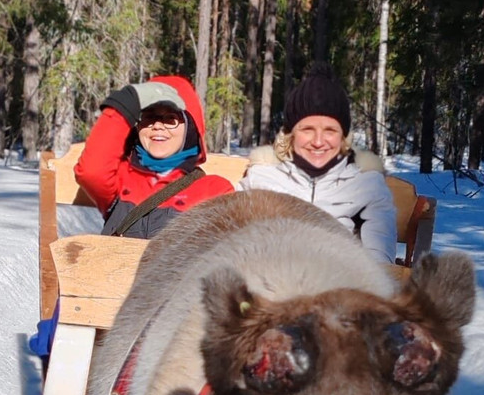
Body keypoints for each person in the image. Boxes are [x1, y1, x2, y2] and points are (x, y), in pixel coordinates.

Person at [237, 63, 397, 263]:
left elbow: (379, 258)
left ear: (343, 137)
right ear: (290, 134)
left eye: (330, 130)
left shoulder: (367, 185)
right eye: (307, 129)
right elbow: (230, 236)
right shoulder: (261, 177)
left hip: (339, 282)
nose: (319, 141)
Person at [75, 75, 234, 238]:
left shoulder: (214, 190)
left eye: (171, 118)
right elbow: (91, 172)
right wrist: (124, 104)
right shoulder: (120, 179)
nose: (157, 126)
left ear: (190, 128)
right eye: (149, 117)